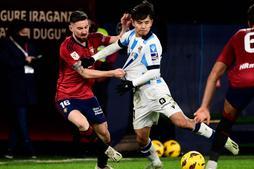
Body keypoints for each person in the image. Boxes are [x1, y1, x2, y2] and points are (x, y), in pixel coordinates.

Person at [81, 1, 239, 169]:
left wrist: (130, 83)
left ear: (152, 22)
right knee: (141, 138)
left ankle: (222, 139)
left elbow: (154, 72)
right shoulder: (130, 35)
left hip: (155, 89)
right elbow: (113, 46)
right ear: (133, 22)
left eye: (147, 22)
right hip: (139, 93)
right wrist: (93, 58)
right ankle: (156, 163)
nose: (143, 26)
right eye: (140, 23)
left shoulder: (153, 43)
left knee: (182, 122)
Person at [194, 3, 254, 169]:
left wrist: (205, 107)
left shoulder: (238, 35)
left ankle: (211, 164)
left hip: (242, 81)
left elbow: (215, 73)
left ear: (249, 23)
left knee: (226, 122)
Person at [55, 10, 130, 169]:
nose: (84, 31)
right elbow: (84, 72)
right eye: (80, 28)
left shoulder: (94, 38)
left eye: (86, 27)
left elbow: (118, 40)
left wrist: (123, 27)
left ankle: (101, 166)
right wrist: (111, 73)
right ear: (71, 28)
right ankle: (105, 150)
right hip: (66, 95)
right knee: (82, 125)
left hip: (87, 95)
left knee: (105, 134)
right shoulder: (66, 47)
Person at [0, 19, 39, 159]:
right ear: (17, 30)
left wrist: (34, 60)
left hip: (27, 87)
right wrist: (23, 61)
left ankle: (10, 149)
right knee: (20, 117)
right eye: (23, 30)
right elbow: (5, 63)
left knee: (18, 120)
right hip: (13, 88)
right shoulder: (6, 44)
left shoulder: (29, 44)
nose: (26, 32)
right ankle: (29, 148)